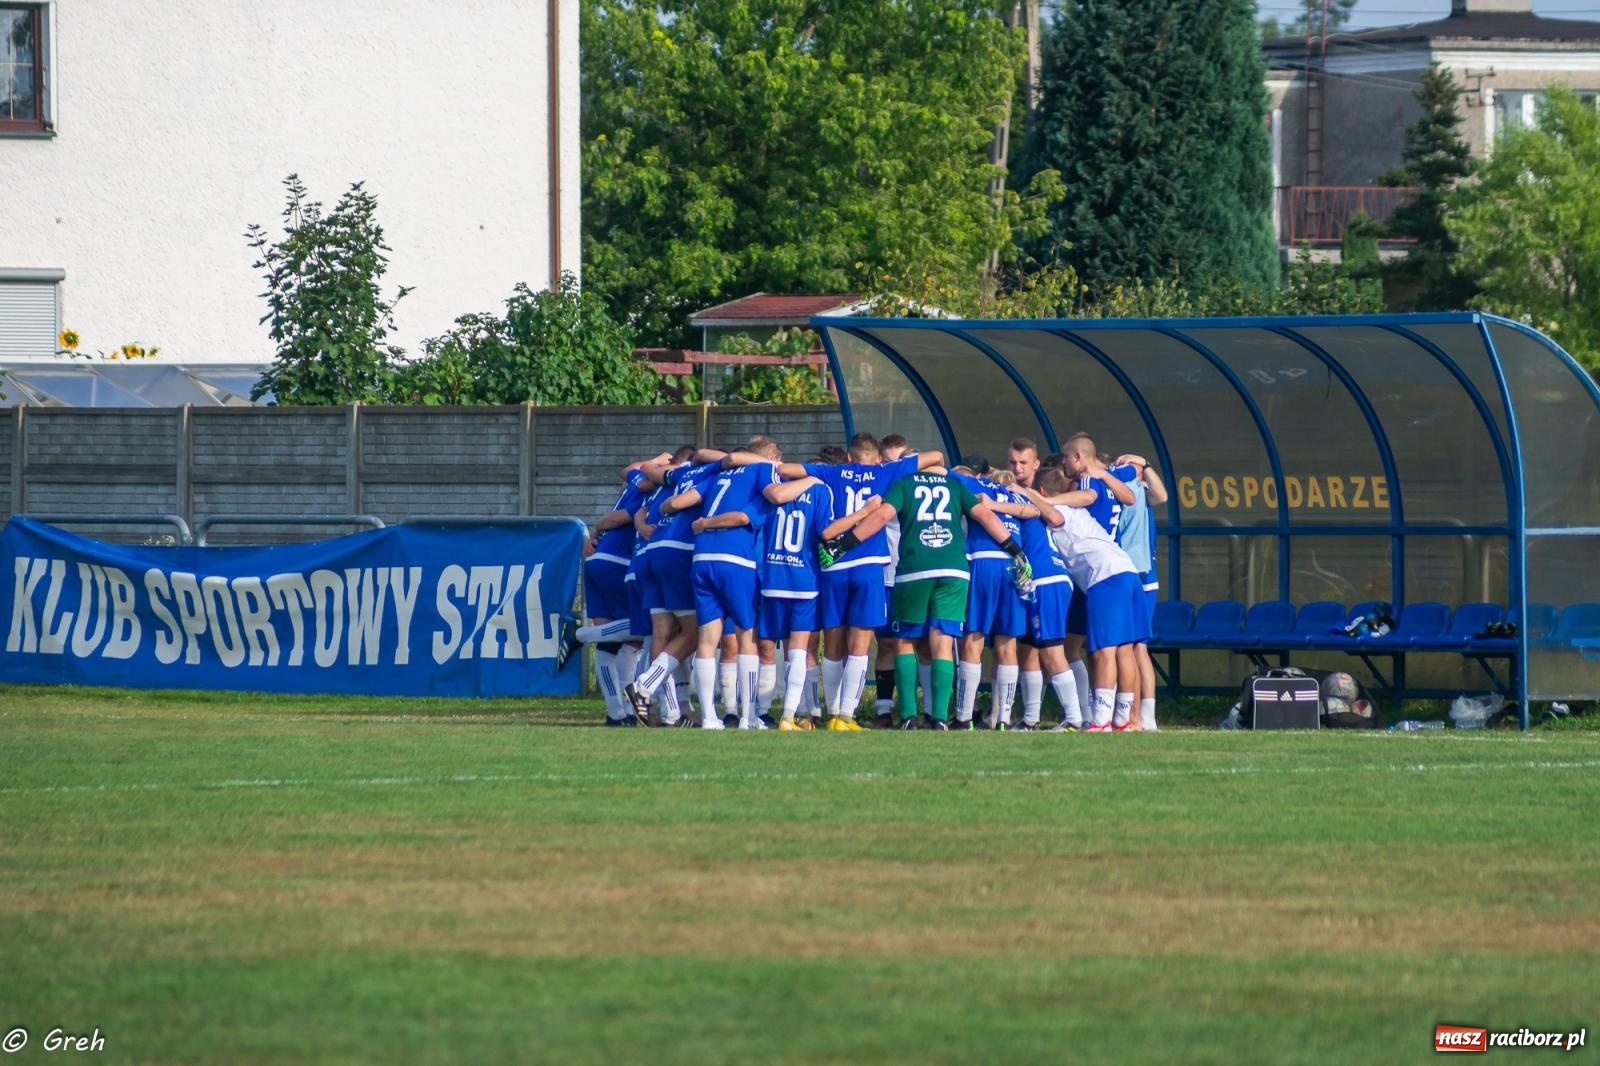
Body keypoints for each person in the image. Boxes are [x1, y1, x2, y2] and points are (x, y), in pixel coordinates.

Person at [822, 465, 1026, 729]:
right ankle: (939, 718)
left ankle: (908, 716)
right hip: (954, 569)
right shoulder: (954, 485)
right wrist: (1016, 550)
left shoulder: (904, 483)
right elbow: (985, 516)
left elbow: (882, 516)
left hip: (915, 568)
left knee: (905, 641)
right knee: (942, 642)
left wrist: (845, 543)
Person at [773, 433, 944, 728]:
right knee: (860, 646)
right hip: (868, 567)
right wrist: (900, 463)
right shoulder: (886, 471)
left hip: (834, 566)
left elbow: (784, 470)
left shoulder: (833, 471)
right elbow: (937, 458)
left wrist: (813, 478)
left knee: (834, 643)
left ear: (850, 457)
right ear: (876, 456)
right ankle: (846, 716)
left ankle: (830, 712)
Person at [1028, 465, 1150, 731]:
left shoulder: (1059, 510)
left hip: (1105, 577)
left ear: (1042, 490)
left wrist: (1026, 494)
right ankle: (1123, 719)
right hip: (1127, 571)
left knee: (1104, 651)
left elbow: (1051, 513)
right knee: (1124, 650)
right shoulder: (1078, 510)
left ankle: (1101, 719)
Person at [677, 439, 779, 730]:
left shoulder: (719, 474)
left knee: (708, 640)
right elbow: (744, 516)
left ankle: (710, 716)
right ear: (771, 457)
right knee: (747, 637)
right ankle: (748, 717)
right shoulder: (764, 472)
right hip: (736, 560)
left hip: (702, 558)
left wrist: (703, 524)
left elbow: (680, 501)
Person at [624, 448, 725, 726]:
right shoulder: (715, 472)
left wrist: (640, 520)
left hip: (652, 550)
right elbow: (679, 503)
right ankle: (645, 685)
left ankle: (668, 711)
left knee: (663, 630)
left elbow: (645, 470)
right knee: (694, 632)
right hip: (680, 549)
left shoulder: (680, 472)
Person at [948, 456, 1037, 730]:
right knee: (1007, 643)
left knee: (973, 638)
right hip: (1015, 566)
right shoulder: (1017, 498)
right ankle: (1004, 718)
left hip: (984, 560)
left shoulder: (976, 487)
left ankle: (964, 716)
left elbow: (947, 473)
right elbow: (1034, 511)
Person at [751, 461, 835, 730]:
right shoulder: (822, 490)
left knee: (770, 648)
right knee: (799, 649)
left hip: (772, 576)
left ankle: (764, 712)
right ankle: (790, 715)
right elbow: (826, 533)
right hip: (805, 579)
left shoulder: (773, 489)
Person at [583, 454, 663, 725]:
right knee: (640, 632)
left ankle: (616, 713)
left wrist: (596, 531)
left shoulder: (638, 479)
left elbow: (628, 469)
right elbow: (620, 517)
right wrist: (600, 525)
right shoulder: (653, 491)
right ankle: (581, 635)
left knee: (609, 646)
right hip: (618, 562)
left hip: (596, 561)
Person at [1112, 453, 1168, 731]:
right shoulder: (1120, 490)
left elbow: (1162, 496)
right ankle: (1142, 717)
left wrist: (1145, 464)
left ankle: (1140, 716)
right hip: (1131, 575)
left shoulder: (1137, 490)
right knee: (1135, 648)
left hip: (1139, 576)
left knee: (1134, 647)